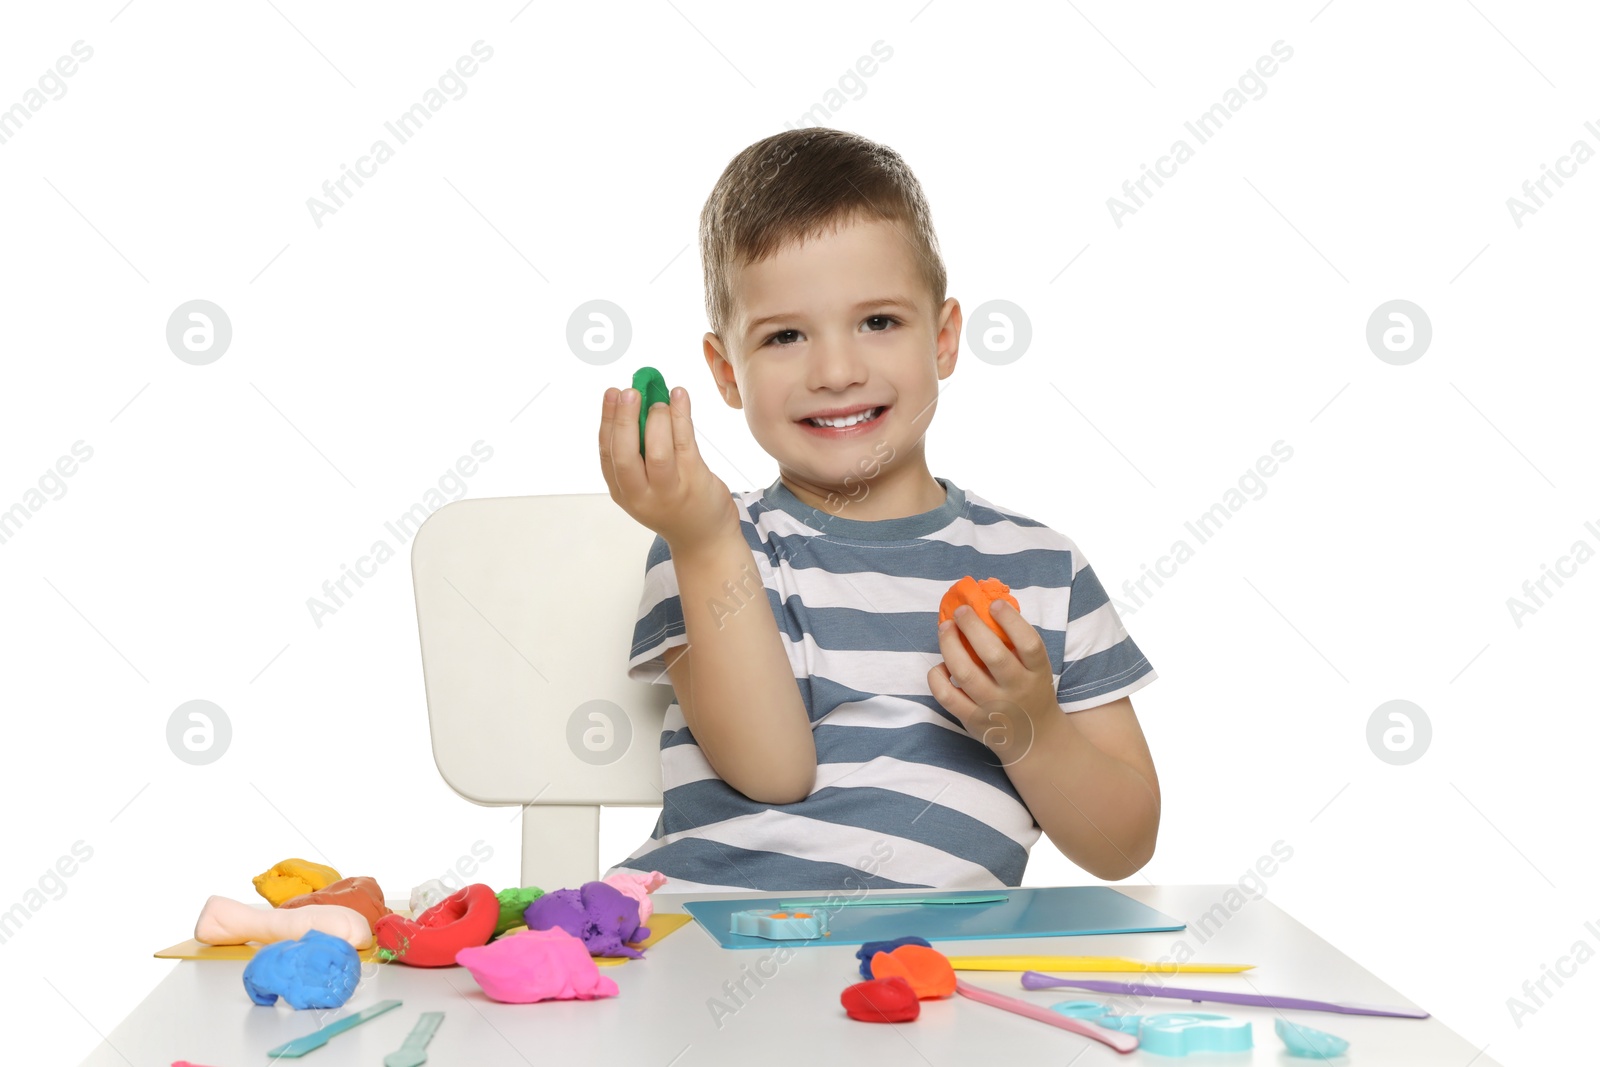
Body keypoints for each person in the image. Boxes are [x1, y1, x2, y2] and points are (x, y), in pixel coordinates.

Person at [596, 128, 1160, 893]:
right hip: (709, 944)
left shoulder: (1045, 571)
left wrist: (1027, 724)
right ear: (727, 372)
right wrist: (701, 539)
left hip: (921, 978)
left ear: (946, 339)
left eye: (879, 322)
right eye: (786, 335)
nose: (836, 370)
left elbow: (1122, 844)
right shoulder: (714, 544)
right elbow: (772, 771)